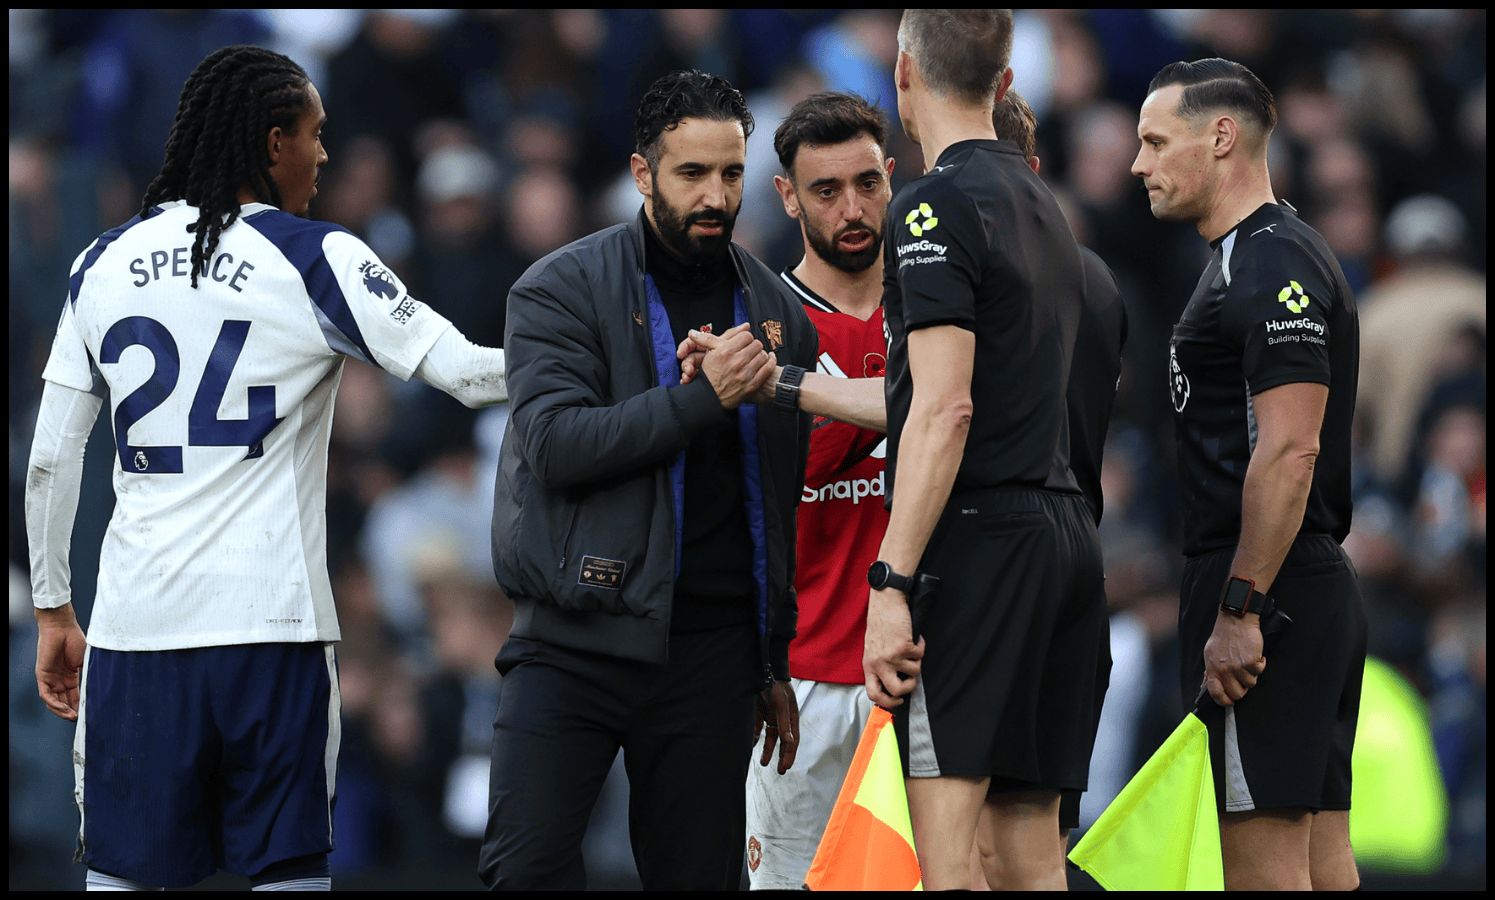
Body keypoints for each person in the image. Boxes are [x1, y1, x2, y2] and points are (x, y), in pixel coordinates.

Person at [26, 45, 507, 892]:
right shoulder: (316, 257)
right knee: (284, 874)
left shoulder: (101, 262)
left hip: (139, 631)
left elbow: (50, 461)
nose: (324, 154)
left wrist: (54, 609)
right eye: (315, 135)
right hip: (272, 628)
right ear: (273, 140)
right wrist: (616, 356)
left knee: (124, 877)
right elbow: (469, 374)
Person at [482, 70, 816, 891]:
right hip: (573, 638)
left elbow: (775, 501)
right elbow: (558, 445)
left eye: (730, 174)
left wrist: (770, 659)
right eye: (691, 174)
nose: (715, 196)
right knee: (521, 872)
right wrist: (702, 399)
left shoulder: (778, 310)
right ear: (642, 174)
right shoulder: (558, 287)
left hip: (711, 653)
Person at [871, 9, 1102, 890]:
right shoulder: (1045, 202)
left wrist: (890, 582)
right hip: (1064, 536)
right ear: (1006, 83)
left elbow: (944, 408)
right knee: (1032, 860)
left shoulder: (931, 203)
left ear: (902, 72)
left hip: (978, 548)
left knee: (947, 861)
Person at [1131, 58, 1364, 890]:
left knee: (1263, 871)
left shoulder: (1267, 263)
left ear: (1219, 137)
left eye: (1156, 142)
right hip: (1296, 587)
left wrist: (1240, 606)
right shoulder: (1259, 254)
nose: (1138, 165)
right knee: (1322, 864)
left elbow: (1289, 450)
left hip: (1267, 590)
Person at [741, 92, 895, 890]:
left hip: (915, 673)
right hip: (795, 682)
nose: (853, 207)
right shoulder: (758, 325)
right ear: (786, 196)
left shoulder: (933, 309)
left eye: (867, 182)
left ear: (892, 177)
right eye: (826, 190)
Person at [990, 88, 1128, 866]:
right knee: (1043, 841)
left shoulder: (973, 278)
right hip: (1077, 550)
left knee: (975, 844)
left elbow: (941, 414)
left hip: (997, 561)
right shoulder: (1099, 281)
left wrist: (791, 385)